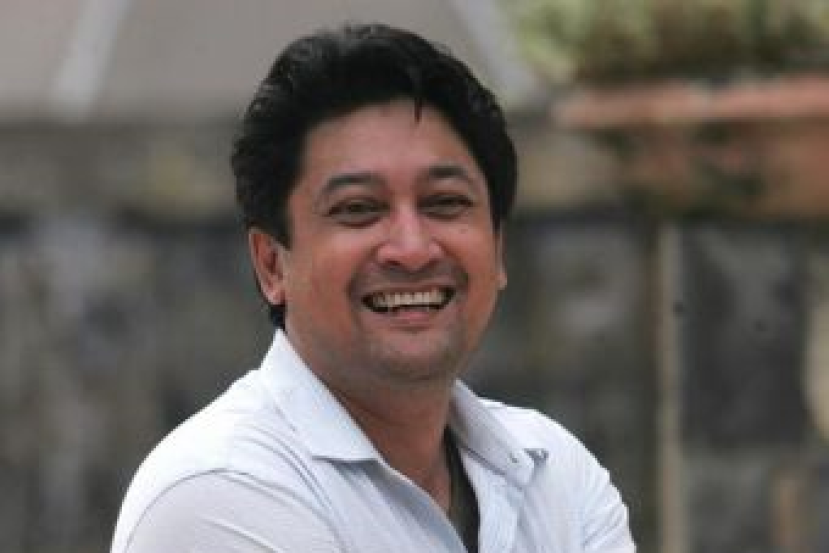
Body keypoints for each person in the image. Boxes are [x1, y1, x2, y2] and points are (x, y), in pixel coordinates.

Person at [110, 22, 635, 553]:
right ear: (272, 265)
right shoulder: (218, 491)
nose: (412, 248)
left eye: (445, 202)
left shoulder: (556, 477)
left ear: (497, 248)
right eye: (359, 209)